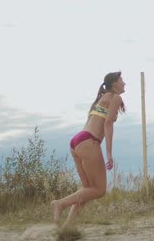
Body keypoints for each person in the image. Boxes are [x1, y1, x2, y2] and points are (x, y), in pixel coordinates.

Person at [51, 71, 126, 227]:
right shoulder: (115, 98)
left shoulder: (101, 99)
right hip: (88, 142)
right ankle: (60, 204)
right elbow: (108, 125)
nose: (124, 83)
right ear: (114, 83)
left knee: (86, 190)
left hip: (77, 141)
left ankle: (67, 227)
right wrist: (109, 154)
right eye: (122, 80)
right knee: (99, 190)